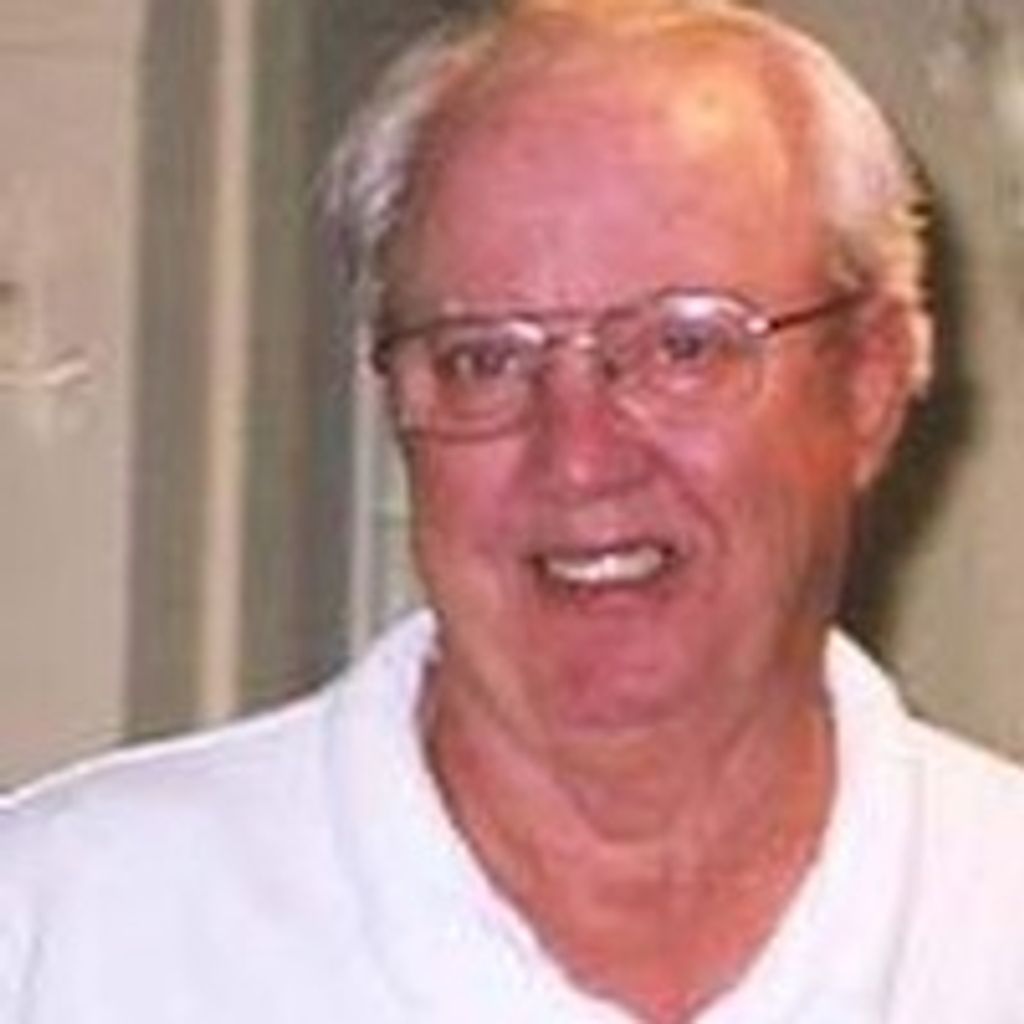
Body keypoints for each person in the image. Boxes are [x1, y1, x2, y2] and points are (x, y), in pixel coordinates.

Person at [3, 0, 1024, 1021]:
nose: (578, 458)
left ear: (871, 383)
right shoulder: (67, 931)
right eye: (483, 359)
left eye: (683, 346)